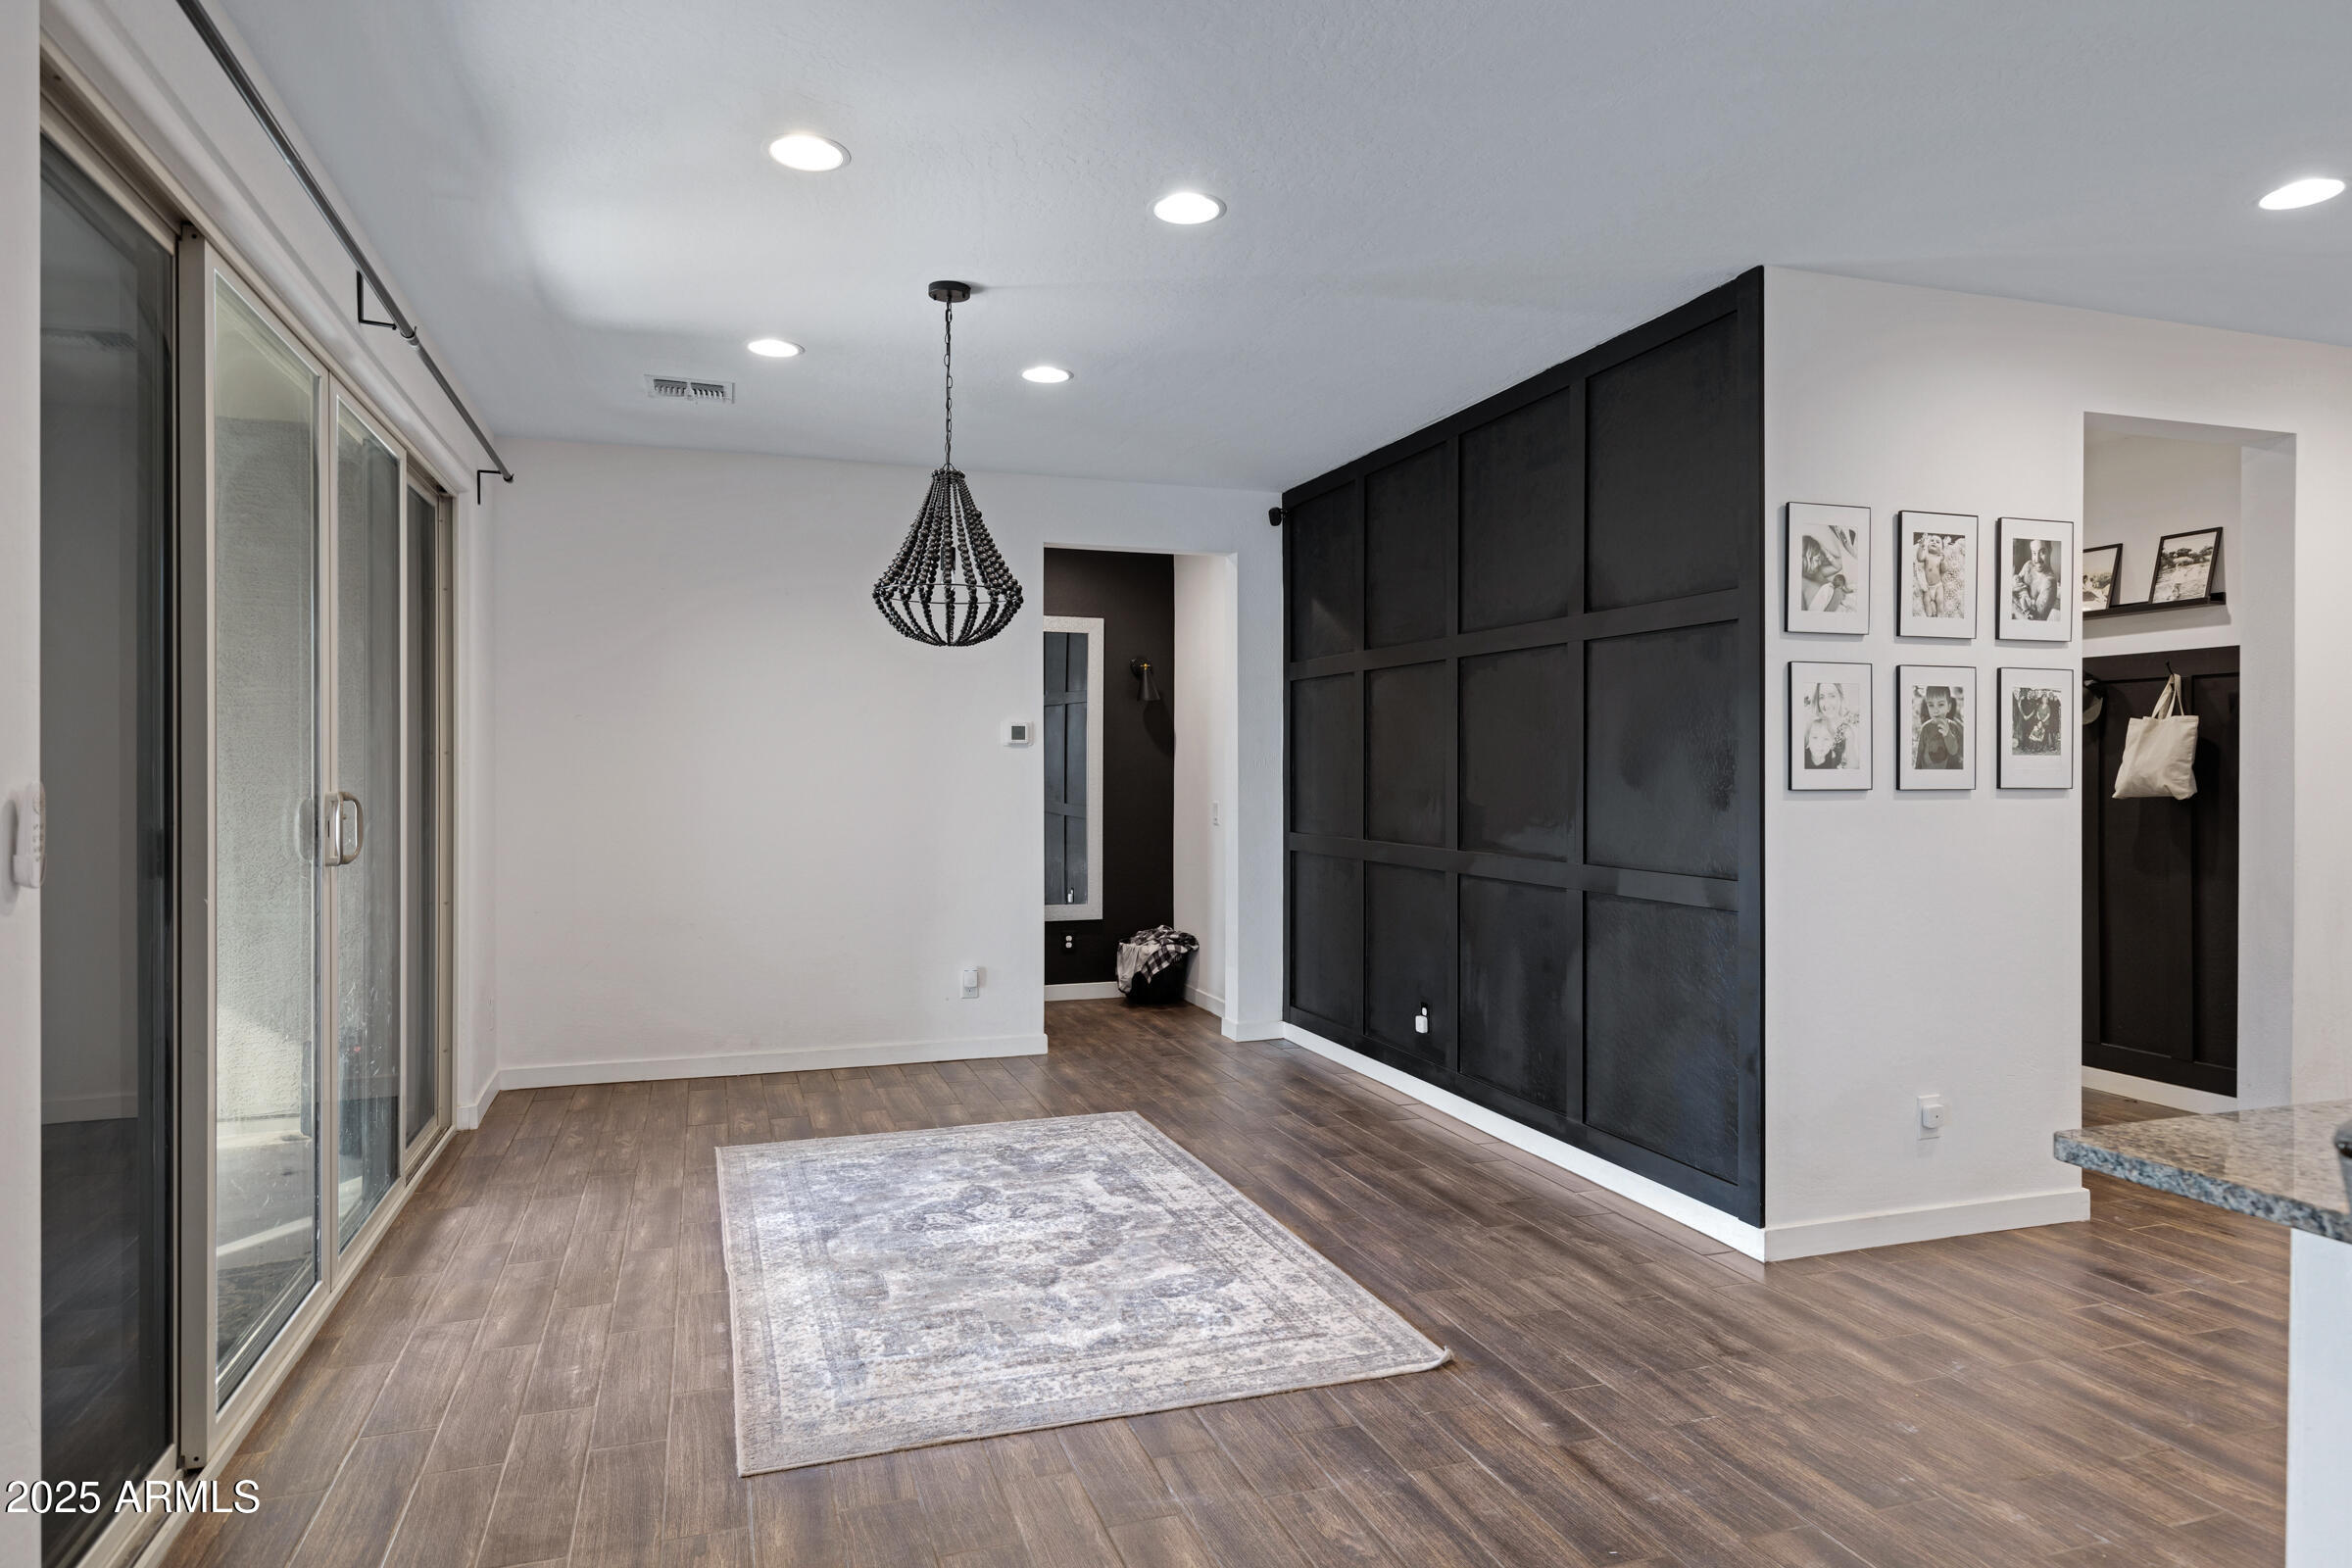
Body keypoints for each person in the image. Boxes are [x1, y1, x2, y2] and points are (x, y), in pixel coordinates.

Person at [1914, 686, 1964, 769]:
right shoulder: (1925, 728)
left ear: (1949, 707)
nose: (1935, 710)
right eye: (1931, 705)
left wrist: (1948, 734)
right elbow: (1919, 754)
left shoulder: (1953, 727)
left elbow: (1954, 751)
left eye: (1940, 704)